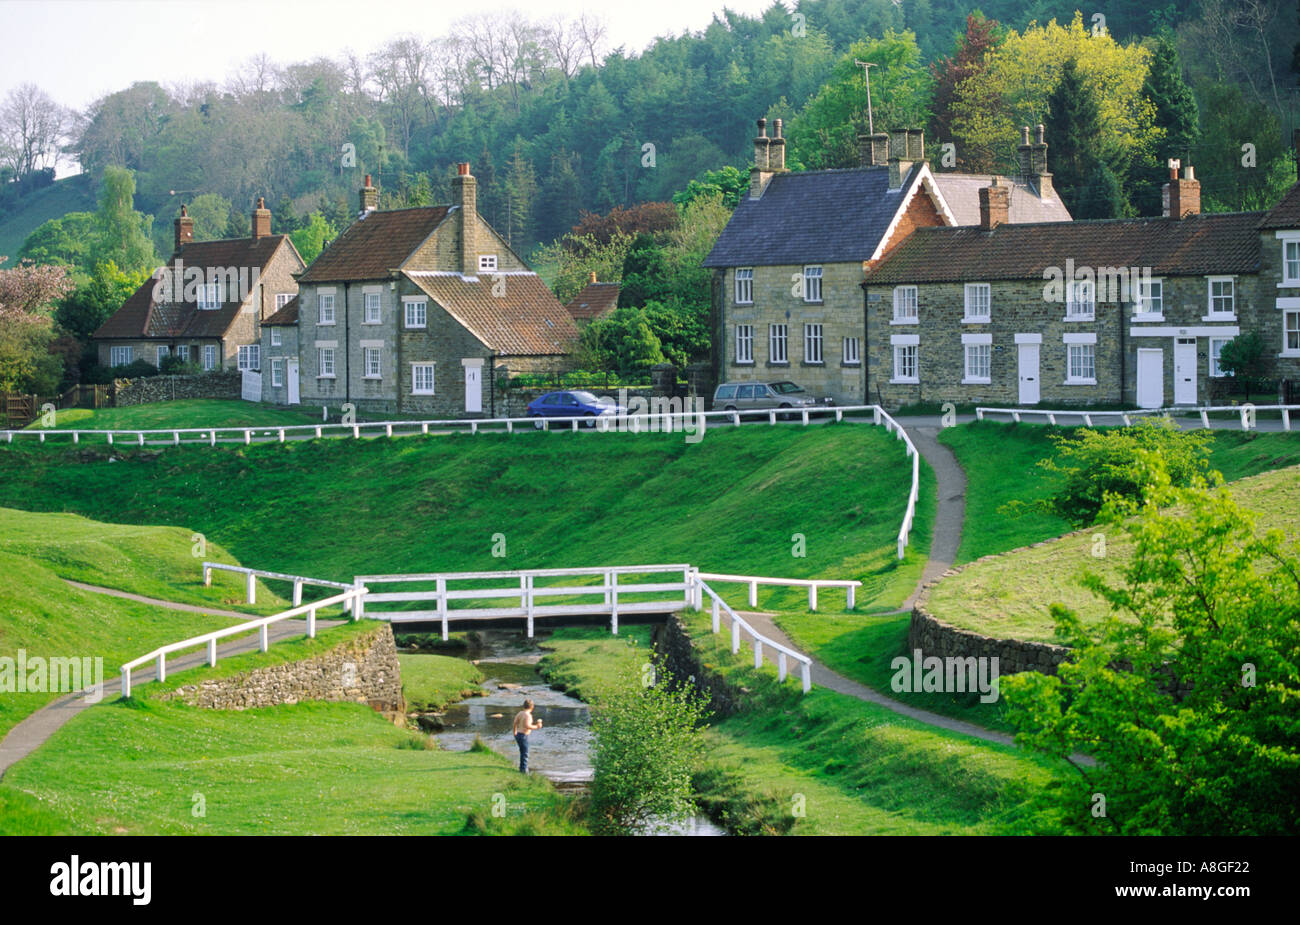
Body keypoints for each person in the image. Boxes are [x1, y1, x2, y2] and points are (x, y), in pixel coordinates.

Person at [512, 699, 543, 773]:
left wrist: (514, 732)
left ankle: (521, 768)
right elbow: (527, 726)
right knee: (525, 753)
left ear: (524, 706)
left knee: (522, 752)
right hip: (523, 736)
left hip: (518, 734)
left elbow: (515, 722)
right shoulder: (528, 715)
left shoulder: (520, 713)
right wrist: (537, 726)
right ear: (532, 707)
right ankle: (524, 771)